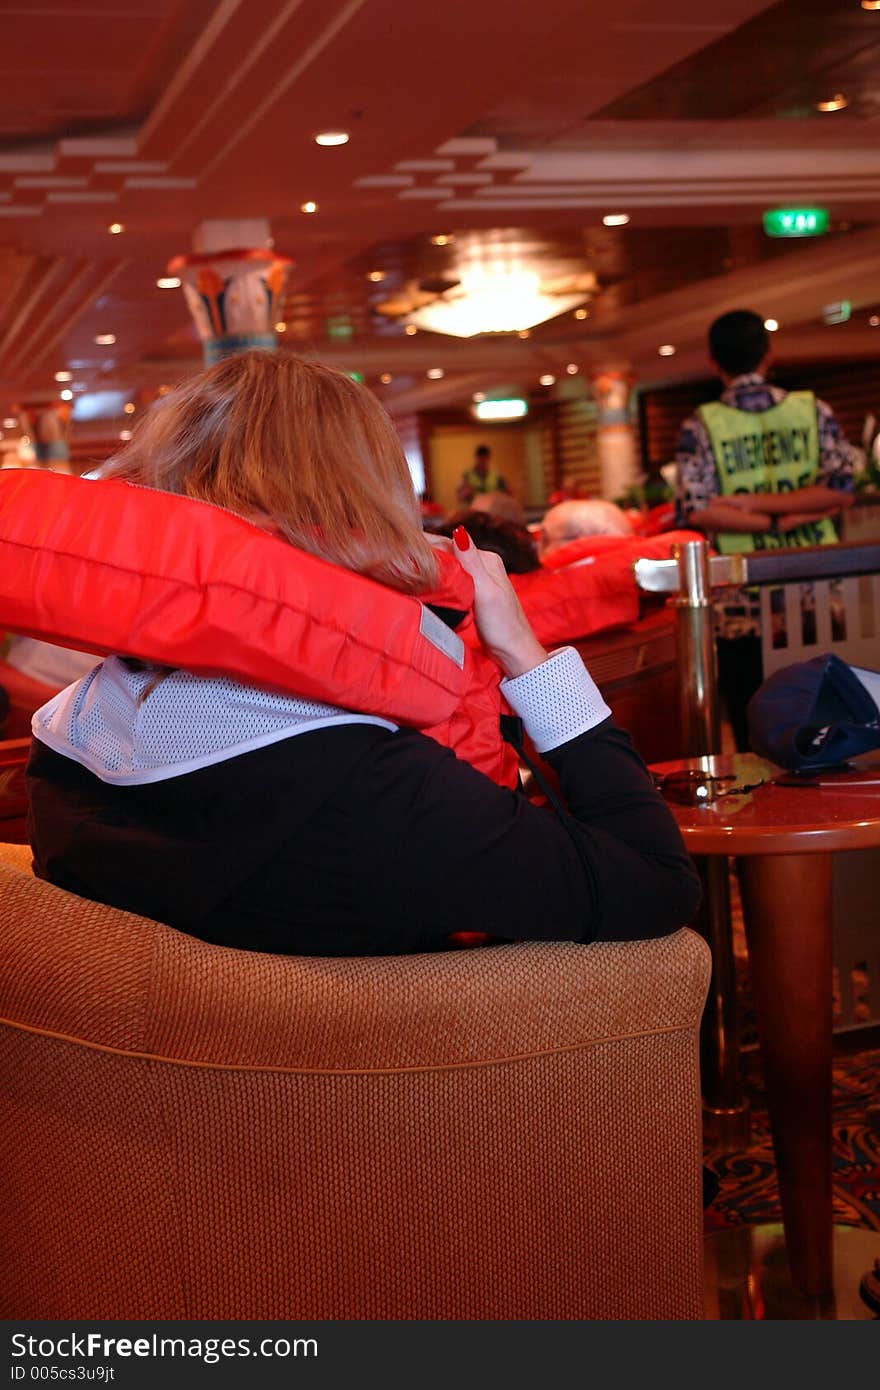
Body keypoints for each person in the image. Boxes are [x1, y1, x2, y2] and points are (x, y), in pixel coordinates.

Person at [25, 352, 700, 956]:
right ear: (372, 515)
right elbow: (658, 883)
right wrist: (527, 656)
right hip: (404, 1081)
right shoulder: (376, 785)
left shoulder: (62, 748)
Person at [675, 309, 856, 749]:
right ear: (769, 354)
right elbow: (841, 488)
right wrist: (793, 515)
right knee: (829, 718)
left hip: (742, 601)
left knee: (754, 721)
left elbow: (697, 508)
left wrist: (753, 508)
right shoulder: (813, 410)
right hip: (817, 589)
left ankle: (764, 812)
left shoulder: (700, 424)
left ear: (713, 361)